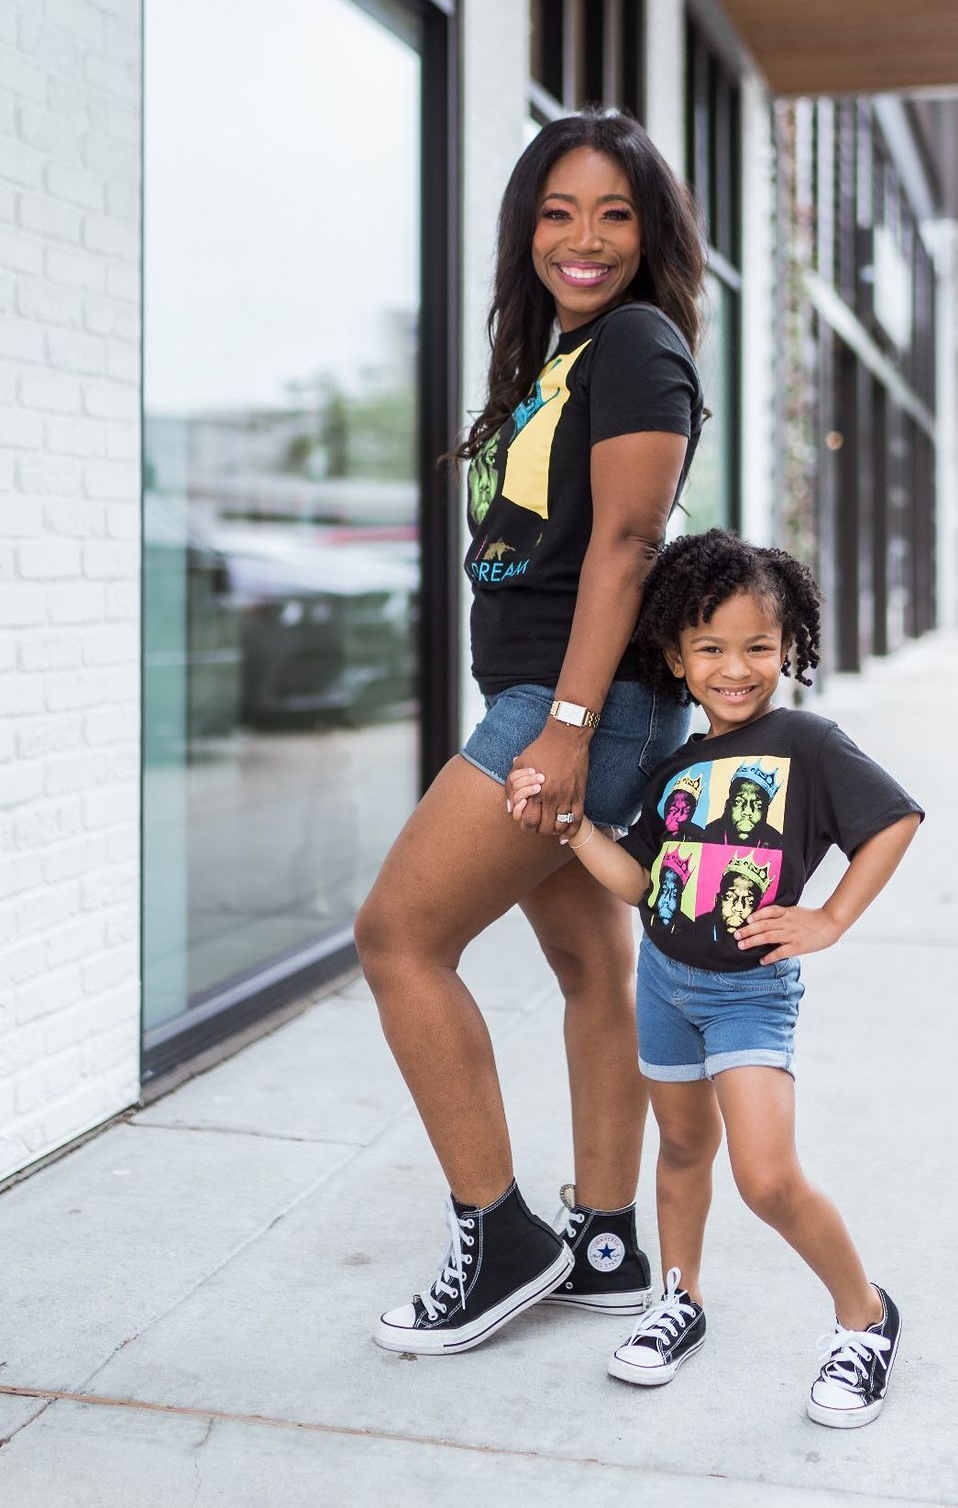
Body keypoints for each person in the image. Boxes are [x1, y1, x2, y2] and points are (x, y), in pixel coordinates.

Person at [354, 109, 705, 1354]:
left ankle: (500, 1236)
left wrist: (563, 727)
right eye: (558, 212)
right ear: (526, 229)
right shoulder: (560, 355)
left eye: (614, 213)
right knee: (590, 966)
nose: (584, 238)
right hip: (564, 699)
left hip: (572, 705)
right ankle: (605, 1241)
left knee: (400, 936)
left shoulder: (640, 343)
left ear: (650, 233)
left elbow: (629, 539)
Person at [509, 528, 923, 1425]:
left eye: (758, 648)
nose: (736, 669)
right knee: (683, 1149)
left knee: (766, 1178)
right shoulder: (675, 771)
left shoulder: (808, 743)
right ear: (676, 658)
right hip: (664, 984)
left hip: (749, 993)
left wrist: (831, 918)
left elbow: (894, 820)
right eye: (711, 648)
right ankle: (680, 1299)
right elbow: (638, 883)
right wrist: (575, 828)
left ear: (788, 648)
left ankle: (866, 1317)